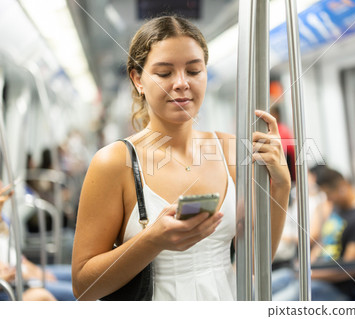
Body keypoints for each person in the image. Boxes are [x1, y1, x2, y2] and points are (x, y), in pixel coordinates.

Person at [71, 15, 290, 301]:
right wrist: (152, 241)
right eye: (164, 74)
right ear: (138, 79)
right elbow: (84, 287)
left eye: (194, 71)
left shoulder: (230, 150)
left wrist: (281, 187)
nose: (181, 84)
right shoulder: (114, 162)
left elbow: (254, 264)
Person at [310, 168, 355, 301]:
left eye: (329, 194)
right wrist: (307, 265)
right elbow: (324, 242)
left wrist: (311, 274)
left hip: (336, 288)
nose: (328, 199)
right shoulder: (337, 210)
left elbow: (348, 270)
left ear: (342, 187)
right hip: (315, 275)